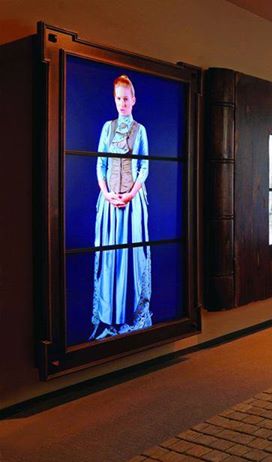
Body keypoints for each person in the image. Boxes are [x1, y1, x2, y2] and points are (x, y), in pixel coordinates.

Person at [90, 75, 152, 340]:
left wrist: (129, 196)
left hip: (132, 203)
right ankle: (108, 315)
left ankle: (130, 313)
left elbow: (144, 167)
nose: (122, 103)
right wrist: (107, 194)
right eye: (118, 98)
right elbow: (100, 164)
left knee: (132, 256)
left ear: (133, 100)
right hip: (109, 202)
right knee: (110, 256)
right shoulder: (107, 128)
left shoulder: (140, 130)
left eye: (126, 98)